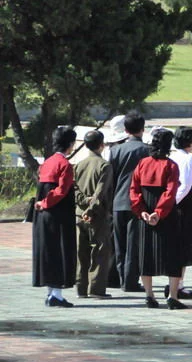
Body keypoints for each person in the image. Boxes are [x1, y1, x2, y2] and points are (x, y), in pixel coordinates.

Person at [130, 129, 186, 309]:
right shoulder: (171, 166)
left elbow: (134, 189)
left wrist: (142, 211)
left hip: (145, 211)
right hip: (166, 214)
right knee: (173, 254)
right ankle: (173, 295)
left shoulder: (142, 163)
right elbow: (170, 192)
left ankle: (149, 295)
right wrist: (159, 212)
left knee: (145, 253)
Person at [33, 126, 78, 307]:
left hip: (43, 215)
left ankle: (51, 293)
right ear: (70, 144)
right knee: (60, 251)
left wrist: (42, 204)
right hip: (59, 214)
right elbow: (61, 191)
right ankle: (57, 295)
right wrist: (46, 202)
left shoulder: (47, 162)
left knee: (48, 252)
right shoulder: (65, 165)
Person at [109, 112, 149, 292]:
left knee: (120, 243)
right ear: (142, 129)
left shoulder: (115, 150)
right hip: (138, 202)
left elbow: (112, 178)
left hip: (118, 200)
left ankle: (120, 277)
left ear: (125, 130)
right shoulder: (146, 150)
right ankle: (130, 281)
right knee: (134, 244)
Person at [74, 130, 114, 300]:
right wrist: (91, 209)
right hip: (97, 215)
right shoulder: (104, 165)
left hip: (78, 214)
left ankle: (80, 287)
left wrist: (83, 202)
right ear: (101, 145)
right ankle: (96, 288)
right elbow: (101, 192)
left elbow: (74, 189)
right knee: (100, 251)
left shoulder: (78, 165)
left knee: (80, 252)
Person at [169, 127, 192, 300]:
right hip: (185, 208)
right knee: (184, 247)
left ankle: (176, 282)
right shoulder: (188, 159)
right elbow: (186, 185)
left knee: (177, 247)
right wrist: (174, 203)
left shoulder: (173, 157)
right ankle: (178, 284)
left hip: (177, 205)